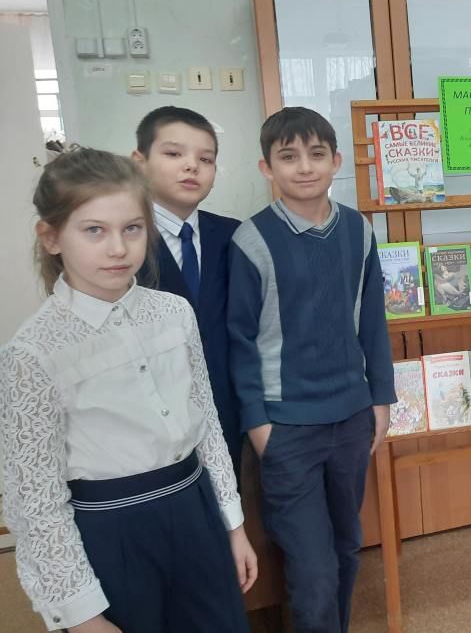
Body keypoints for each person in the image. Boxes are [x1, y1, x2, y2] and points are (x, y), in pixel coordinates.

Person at [0, 148, 255, 633]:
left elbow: (207, 425)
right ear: (51, 237)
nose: (118, 248)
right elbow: (36, 502)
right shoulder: (33, 353)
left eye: (132, 228)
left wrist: (233, 526)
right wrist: (82, 616)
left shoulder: (174, 312)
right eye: (94, 230)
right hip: (110, 531)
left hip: (195, 509)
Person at [228, 106, 397, 633]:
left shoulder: (359, 230)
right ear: (267, 168)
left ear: (336, 162)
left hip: (351, 419)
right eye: (288, 157)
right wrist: (260, 426)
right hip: (287, 428)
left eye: (316, 154)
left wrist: (381, 399)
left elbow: (373, 321)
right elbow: (240, 342)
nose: (304, 167)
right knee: (313, 568)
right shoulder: (251, 240)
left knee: (347, 548)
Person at [132, 106, 244, 477]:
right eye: (173, 153)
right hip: (150, 421)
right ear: (139, 162)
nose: (191, 166)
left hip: (226, 408)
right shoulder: (122, 243)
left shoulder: (234, 235)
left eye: (205, 159)